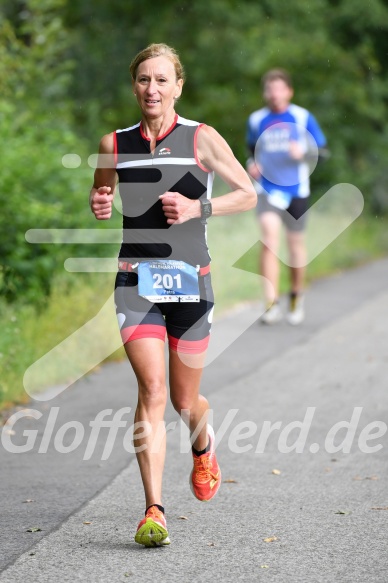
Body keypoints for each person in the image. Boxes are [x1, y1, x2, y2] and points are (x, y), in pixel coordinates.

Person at [90, 43, 257, 547]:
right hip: (136, 282)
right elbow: (101, 190)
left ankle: (202, 444)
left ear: (178, 86)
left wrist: (197, 208)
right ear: (134, 85)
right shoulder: (114, 144)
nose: (152, 89)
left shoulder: (201, 139)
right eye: (144, 79)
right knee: (152, 391)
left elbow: (248, 193)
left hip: (191, 281)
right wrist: (99, 202)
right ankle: (154, 510)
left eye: (162, 80)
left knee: (185, 401)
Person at [246, 69, 328, 325]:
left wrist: (303, 152)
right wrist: (251, 163)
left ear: (289, 91)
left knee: (295, 247)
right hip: (268, 190)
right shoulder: (256, 119)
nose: (275, 94)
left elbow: (322, 152)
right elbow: (252, 149)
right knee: (269, 240)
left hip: (296, 191)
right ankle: (270, 303)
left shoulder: (302, 117)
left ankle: (295, 295)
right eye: (270, 89)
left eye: (280, 89)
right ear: (264, 93)